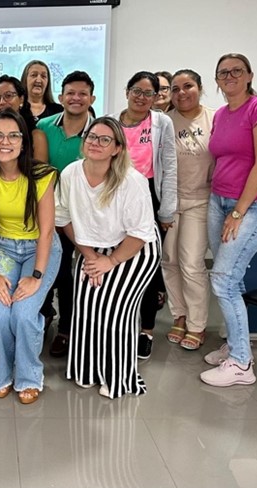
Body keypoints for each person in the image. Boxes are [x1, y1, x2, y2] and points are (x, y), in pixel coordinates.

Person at [56, 116, 160, 399]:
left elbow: (139, 234)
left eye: (105, 140)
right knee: (85, 306)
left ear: (117, 148)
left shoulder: (132, 181)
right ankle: (88, 370)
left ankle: (118, 377)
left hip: (134, 250)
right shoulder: (70, 173)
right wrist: (90, 257)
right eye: (91, 137)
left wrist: (110, 261)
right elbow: (64, 219)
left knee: (114, 312)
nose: (96, 143)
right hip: (91, 248)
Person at [201, 53, 257, 387]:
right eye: (223, 73)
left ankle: (241, 364)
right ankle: (237, 344)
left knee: (223, 279)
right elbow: (222, 157)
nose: (229, 76)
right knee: (231, 278)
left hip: (252, 205)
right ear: (217, 80)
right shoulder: (221, 114)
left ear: (249, 75)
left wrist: (238, 212)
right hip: (218, 200)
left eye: (236, 71)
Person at [0, 109, 61, 405]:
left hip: (39, 249)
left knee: (23, 314)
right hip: (3, 249)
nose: (5, 141)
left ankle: (29, 375)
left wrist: (36, 276)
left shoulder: (42, 175)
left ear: (24, 142)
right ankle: (5, 366)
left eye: (13, 135)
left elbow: (46, 231)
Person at [111, 71, 177, 359]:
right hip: (114, 196)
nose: (141, 97)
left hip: (148, 196)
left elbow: (169, 166)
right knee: (116, 263)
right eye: (136, 91)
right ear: (127, 91)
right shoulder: (111, 121)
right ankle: (118, 325)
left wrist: (167, 210)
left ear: (155, 97)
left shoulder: (162, 122)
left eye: (148, 93)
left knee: (148, 267)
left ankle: (146, 331)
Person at [36, 70, 96, 358]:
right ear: (60, 97)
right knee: (47, 269)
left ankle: (67, 328)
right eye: (70, 93)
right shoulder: (43, 127)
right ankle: (46, 313)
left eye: (83, 93)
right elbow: (37, 171)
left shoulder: (99, 133)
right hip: (47, 214)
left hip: (84, 217)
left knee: (72, 276)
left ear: (92, 98)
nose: (76, 98)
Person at [162, 69, 214, 350]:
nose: (181, 93)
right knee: (169, 261)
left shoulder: (215, 118)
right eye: (175, 88)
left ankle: (197, 324)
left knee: (192, 264)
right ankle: (179, 315)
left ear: (200, 88)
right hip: (170, 201)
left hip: (201, 200)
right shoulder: (164, 121)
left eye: (188, 86)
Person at [0, 75, 49, 165]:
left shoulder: (36, 136)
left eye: (8, 96)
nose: (2, 102)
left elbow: (41, 172)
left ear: (21, 99)